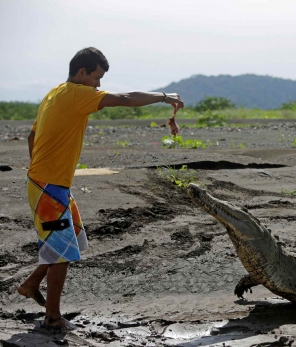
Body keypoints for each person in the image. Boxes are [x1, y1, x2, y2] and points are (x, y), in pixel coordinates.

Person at [17, 47, 183, 331]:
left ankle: (31, 284)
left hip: (49, 183)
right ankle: (53, 318)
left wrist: (44, 168)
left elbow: (32, 136)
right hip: (48, 186)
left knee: (72, 242)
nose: (98, 84)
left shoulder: (55, 92)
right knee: (63, 253)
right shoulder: (76, 93)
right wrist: (165, 96)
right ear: (81, 73)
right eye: (96, 77)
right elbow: (125, 99)